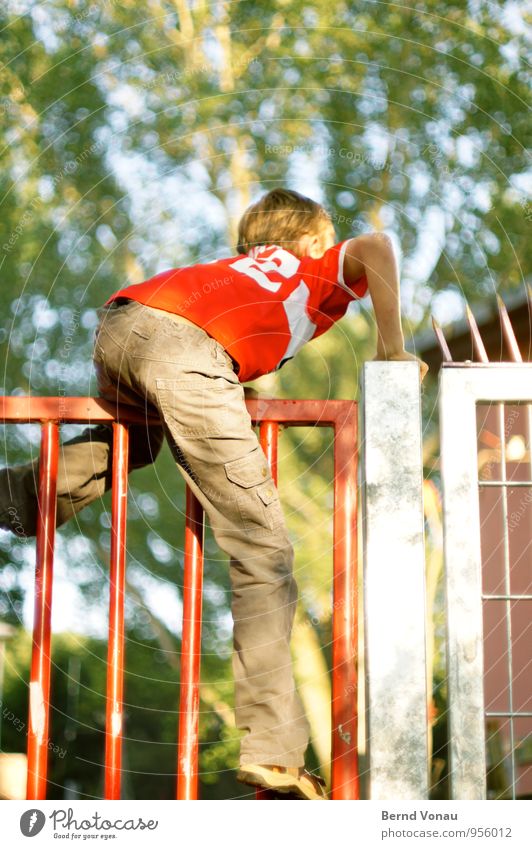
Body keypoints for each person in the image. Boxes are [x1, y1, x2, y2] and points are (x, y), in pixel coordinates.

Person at [0, 188, 428, 800]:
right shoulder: (312, 265)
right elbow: (376, 247)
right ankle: (276, 753)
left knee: (134, 443)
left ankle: (12, 499)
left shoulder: (235, 271)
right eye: (324, 241)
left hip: (121, 327)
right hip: (183, 349)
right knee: (262, 547)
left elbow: (216, 344)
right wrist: (392, 349)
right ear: (309, 242)